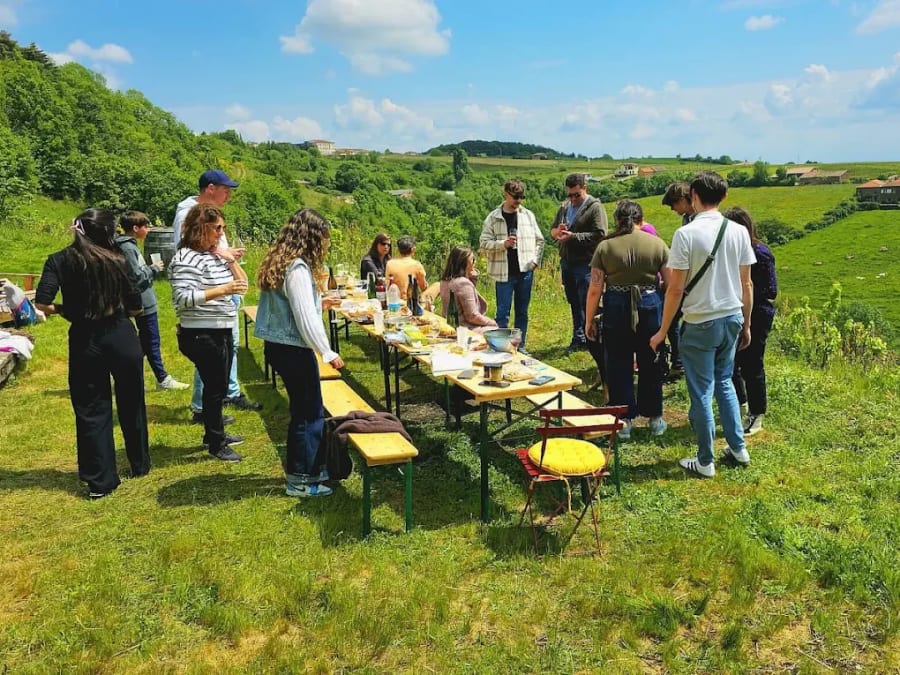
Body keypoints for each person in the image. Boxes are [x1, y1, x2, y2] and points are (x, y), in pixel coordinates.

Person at [34, 208, 150, 499]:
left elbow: (42, 302)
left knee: (91, 408)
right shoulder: (119, 260)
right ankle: (139, 463)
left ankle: (101, 480)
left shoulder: (59, 260)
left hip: (85, 338)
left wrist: (67, 310)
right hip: (121, 334)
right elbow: (136, 306)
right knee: (131, 400)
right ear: (108, 233)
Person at [650, 172, 756, 478]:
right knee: (724, 382)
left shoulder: (686, 235)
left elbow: (674, 289)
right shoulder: (738, 231)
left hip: (700, 321)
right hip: (732, 317)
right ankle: (738, 448)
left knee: (701, 390)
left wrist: (661, 330)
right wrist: (746, 324)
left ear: (693, 196)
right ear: (723, 197)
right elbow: (746, 284)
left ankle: (706, 460)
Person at [254, 208, 345, 497]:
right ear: (312, 238)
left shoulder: (282, 262)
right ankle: (302, 479)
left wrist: (322, 302)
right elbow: (304, 316)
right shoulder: (297, 269)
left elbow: (298, 308)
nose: (326, 244)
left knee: (304, 411)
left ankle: (310, 469)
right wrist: (327, 351)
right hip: (293, 348)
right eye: (324, 238)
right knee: (309, 414)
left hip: (280, 346)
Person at [173, 169, 261, 417]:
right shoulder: (187, 212)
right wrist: (221, 254)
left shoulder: (211, 215)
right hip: (209, 294)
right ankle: (204, 406)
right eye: (225, 191)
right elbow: (189, 245)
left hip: (223, 286)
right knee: (211, 353)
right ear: (210, 188)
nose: (228, 196)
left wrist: (228, 255)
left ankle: (227, 392)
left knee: (229, 345)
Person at [170, 204, 249, 463]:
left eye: (223, 228)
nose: (220, 234)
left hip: (220, 330)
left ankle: (215, 433)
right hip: (202, 334)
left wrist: (230, 259)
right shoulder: (185, 258)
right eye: (217, 228)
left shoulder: (214, 256)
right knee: (215, 388)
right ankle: (216, 442)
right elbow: (182, 298)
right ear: (200, 228)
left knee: (219, 386)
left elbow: (243, 285)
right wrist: (223, 290)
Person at [586, 200, 670, 439]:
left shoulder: (605, 247)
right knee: (651, 360)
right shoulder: (657, 244)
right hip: (650, 304)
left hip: (616, 305)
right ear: (641, 220)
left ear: (617, 220)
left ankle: (624, 419)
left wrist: (589, 320)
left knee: (618, 361)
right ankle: (655, 417)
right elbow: (671, 283)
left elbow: (595, 288)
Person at [115, 211, 189, 391]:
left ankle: (133, 377)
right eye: (145, 226)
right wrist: (153, 268)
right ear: (135, 228)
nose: (148, 229)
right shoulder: (128, 248)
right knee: (151, 341)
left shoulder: (125, 245)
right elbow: (135, 276)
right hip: (143, 302)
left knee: (144, 343)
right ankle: (162, 379)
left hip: (139, 300)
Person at [723, 206, 777, 435]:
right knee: (733, 361)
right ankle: (741, 403)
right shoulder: (734, 252)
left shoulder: (760, 253)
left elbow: (770, 289)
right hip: (737, 309)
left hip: (757, 311)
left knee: (752, 363)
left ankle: (757, 414)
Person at [479, 178, 544, 352]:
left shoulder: (528, 215)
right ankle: (501, 347)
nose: (519, 201)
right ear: (506, 195)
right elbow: (484, 243)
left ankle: (520, 346)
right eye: (515, 197)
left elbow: (540, 240)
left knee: (522, 312)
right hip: (503, 273)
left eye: (521, 197)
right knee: (503, 313)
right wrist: (503, 244)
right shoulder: (493, 218)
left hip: (525, 272)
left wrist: (535, 261)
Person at [550, 173, 608, 354]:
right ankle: (579, 337)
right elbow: (552, 231)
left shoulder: (595, 208)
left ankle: (596, 339)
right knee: (574, 301)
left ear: (585, 189)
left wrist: (573, 237)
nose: (573, 199)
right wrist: (557, 232)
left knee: (588, 302)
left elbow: (600, 235)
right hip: (567, 262)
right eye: (570, 195)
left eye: (577, 195)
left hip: (586, 264)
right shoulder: (565, 207)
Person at [660, 181, 697, 374]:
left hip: (694, 282)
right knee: (674, 319)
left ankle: (681, 360)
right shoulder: (688, 218)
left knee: (675, 319)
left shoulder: (697, 220)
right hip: (687, 280)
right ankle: (679, 359)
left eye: (674, 205)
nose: (674, 210)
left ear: (683, 200)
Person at [439, 245, 498, 333]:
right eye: (473, 259)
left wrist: (472, 278)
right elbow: (472, 316)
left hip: (449, 324)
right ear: (464, 262)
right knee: (498, 332)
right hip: (464, 329)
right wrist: (492, 323)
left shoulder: (445, 281)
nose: (475, 262)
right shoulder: (463, 283)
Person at [384, 235, 427, 299]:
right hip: (408, 301)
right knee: (437, 285)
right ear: (413, 249)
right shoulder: (416, 265)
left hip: (393, 299)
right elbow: (423, 287)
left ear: (398, 250)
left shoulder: (389, 263)